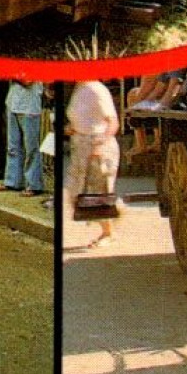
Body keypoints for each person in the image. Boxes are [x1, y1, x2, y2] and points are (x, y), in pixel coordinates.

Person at [65, 80, 120, 248]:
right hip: (80, 145)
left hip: (97, 145)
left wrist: (101, 143)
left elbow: (113, 122)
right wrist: (72, 128)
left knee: (98, 192)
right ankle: (113, 218)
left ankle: (108, 233)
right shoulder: (79, 88)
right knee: (76, 191)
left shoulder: (96, 89)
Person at [4, 80, 46, 195]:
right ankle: (13, 181)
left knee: (31, 148)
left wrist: (13, 75)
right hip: (13, 103)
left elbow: (28, 81)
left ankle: (34, 184)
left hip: (29, 107)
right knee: (13, 146)